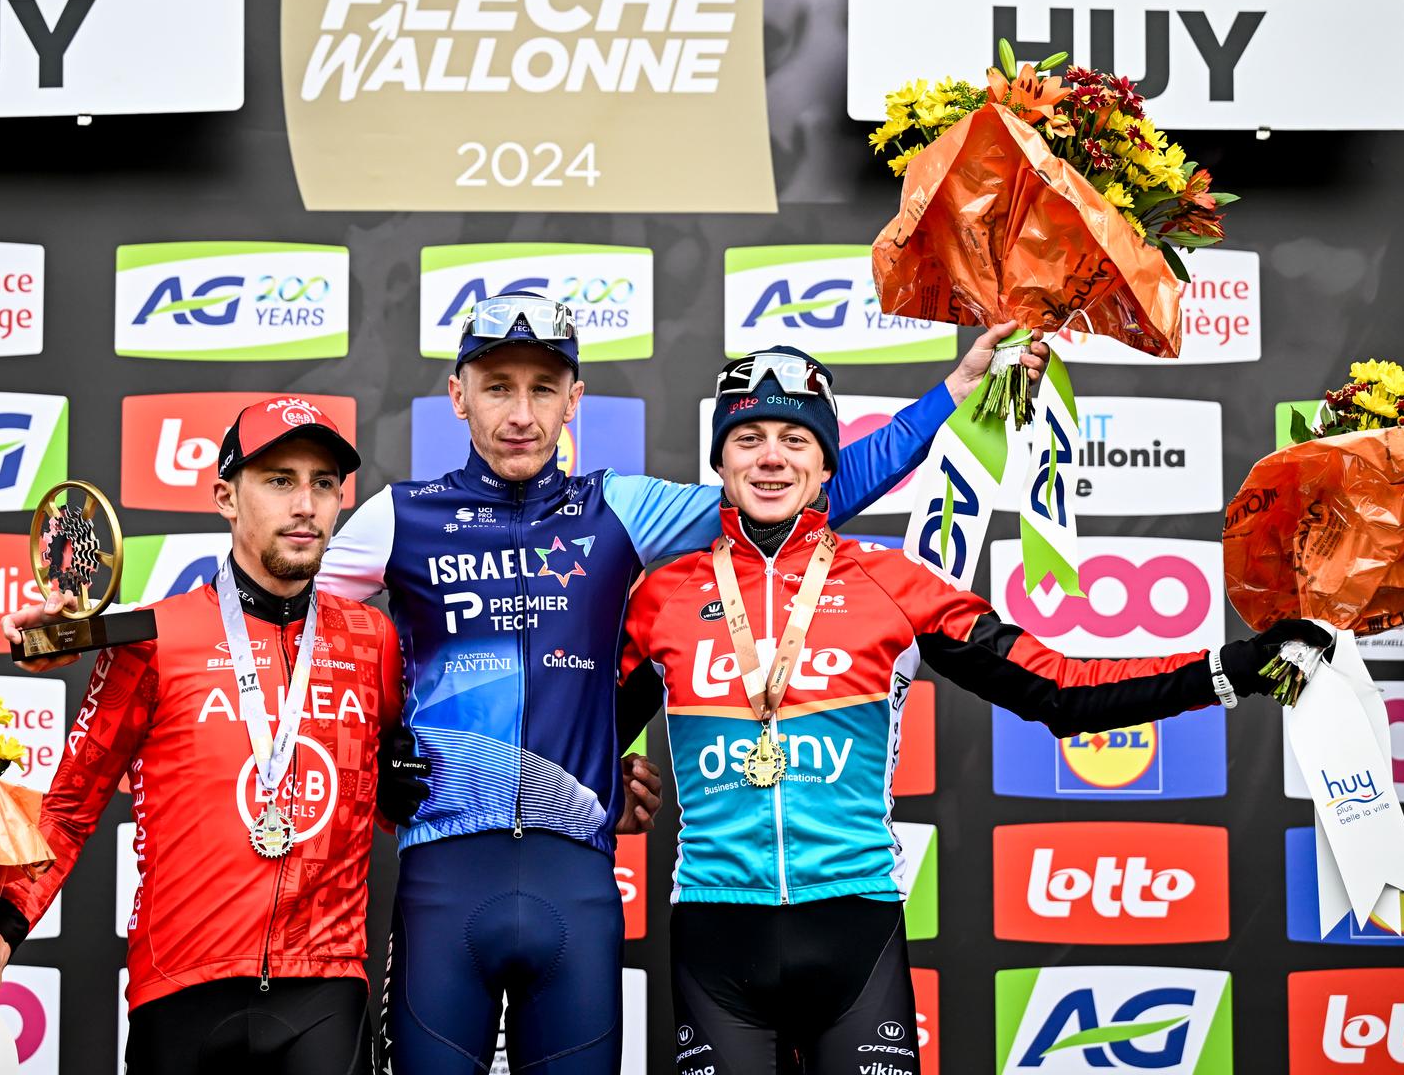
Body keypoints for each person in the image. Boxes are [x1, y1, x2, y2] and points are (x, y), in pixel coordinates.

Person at [320, 294, 1045, 1074]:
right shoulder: (399, 517)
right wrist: (376, 743)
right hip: (444, 873)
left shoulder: (620, 509)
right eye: (497, 386)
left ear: (575, 400)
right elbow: (296, 635)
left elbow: (800, 490)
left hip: (575, 872)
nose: (520, 412)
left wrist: (955, 392)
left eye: (542, 388)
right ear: (458, 394)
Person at [618, 360, 1335, 1074]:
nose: (771, 457)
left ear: (828, 460)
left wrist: (1232, 668)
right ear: (719, 459)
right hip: (716, 935)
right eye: (748, 438)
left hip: (855, 928)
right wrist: (604, 782)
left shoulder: (892, 582)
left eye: (795, 439)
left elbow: (1059, 689)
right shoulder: (661, 597)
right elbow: (577, 734)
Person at [0, 397, 420, 1075]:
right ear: (226, 496)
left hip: (324, 985)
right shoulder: (152, 637)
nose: (306, 503)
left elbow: (392, 804)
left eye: (323, 483)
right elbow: (69, 808)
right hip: (181, 988)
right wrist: (4, 929)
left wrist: (400, 789)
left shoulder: (372, 638)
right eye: (279, 480)